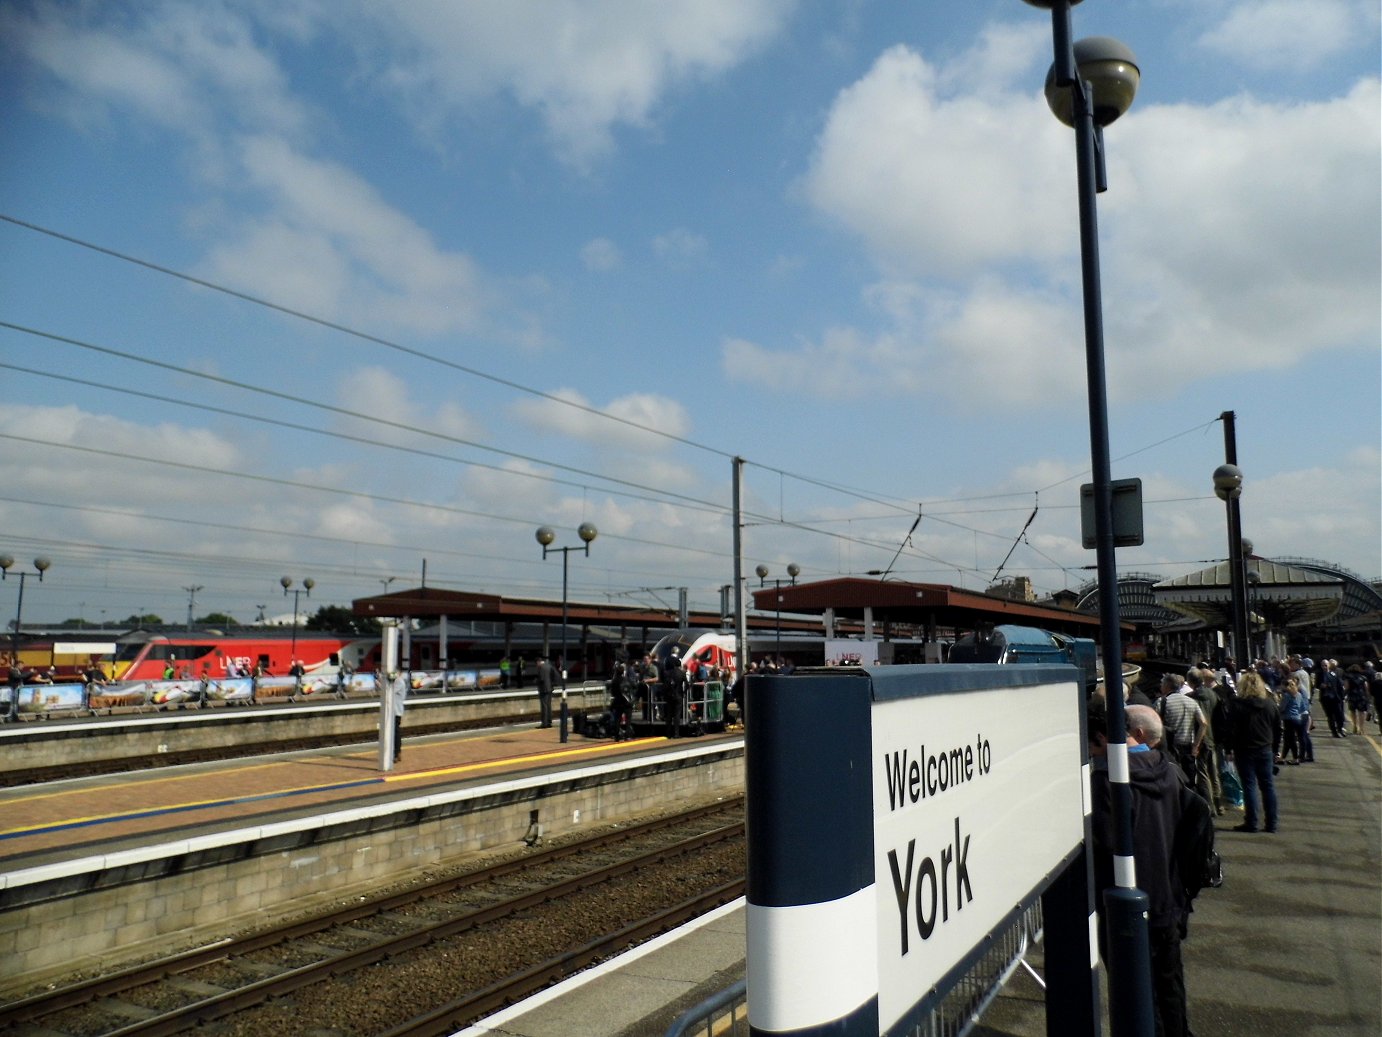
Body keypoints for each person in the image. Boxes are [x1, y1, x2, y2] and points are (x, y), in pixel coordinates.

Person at [1088, 700, 1194, 1037]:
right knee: (1170, 983)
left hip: (1129, 902)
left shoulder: (1109, 781)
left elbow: (1105, 841)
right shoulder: (1169, 769)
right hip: (1171, 896)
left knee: (1135, 989)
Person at [1228, 670, 1281, 833]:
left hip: (1243, 749)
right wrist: (1276, 750)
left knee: (1249, 786)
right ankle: (1272, 823)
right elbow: (1278, 728)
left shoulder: (1236, 704)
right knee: (1268, 786)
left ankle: (1251, 822)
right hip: (1265, 749)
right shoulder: (1270, 704)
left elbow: (1231, 729)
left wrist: (1229, 747)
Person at [1344, 664, 1371, 735]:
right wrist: (1367, 697)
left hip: (1352, 696)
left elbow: (1346, 687)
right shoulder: (1363, 677)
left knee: (1352, 712)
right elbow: (1366, 688)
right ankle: (1361, 729)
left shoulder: (1348, 677)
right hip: (1361, 696)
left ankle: (1354, 726)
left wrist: (1345, 695)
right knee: (1361, 713)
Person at [389, 668, 408, 762]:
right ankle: (396, 752)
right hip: (394, 710)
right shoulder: (397, 681)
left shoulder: (399, 682)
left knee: (396, 733)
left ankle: (397, 753)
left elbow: (390, 691)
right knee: (394, 733)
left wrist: (381, 684)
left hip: (396, 711)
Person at [534, 655, 557, 728]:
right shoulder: (549, 666)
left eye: (536, 663)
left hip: (543, 689)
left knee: (544, 706)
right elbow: (554, 676)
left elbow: (541, 679)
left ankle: (544, 723)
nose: (536, 665)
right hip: (550, 688)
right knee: (549, 706)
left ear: (538, 662)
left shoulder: (541, 667)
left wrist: (535, 681)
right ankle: (549, 722)